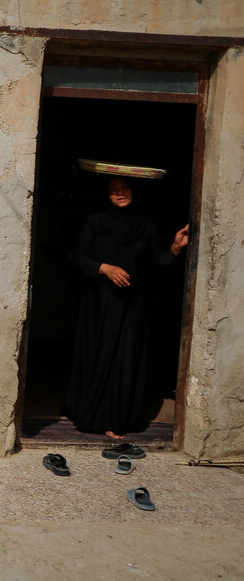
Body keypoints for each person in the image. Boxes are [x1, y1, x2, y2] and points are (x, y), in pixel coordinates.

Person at [64, 176, 190, 440]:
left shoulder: (145, 225)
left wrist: (176, 247)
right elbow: (78, 257)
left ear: (134, 191)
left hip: (133, 304)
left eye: (124, 188)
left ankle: (116, 418)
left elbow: (159, 261)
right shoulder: (95, 223)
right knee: (102, 356)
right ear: (106, 194)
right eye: (113, 190)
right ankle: (96, 415)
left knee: (125, 359)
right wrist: (105, 268)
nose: (119, 193)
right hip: (101, 305)